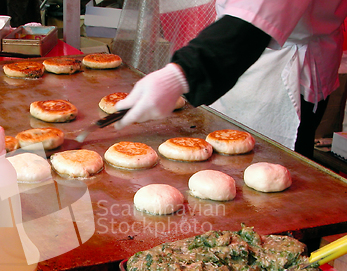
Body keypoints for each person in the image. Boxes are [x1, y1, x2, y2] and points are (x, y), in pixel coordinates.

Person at [115, 0, 347, 159]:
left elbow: (258, 15)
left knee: (275, 169)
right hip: (226, 55)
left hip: (281, 69)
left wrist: (181, 74)